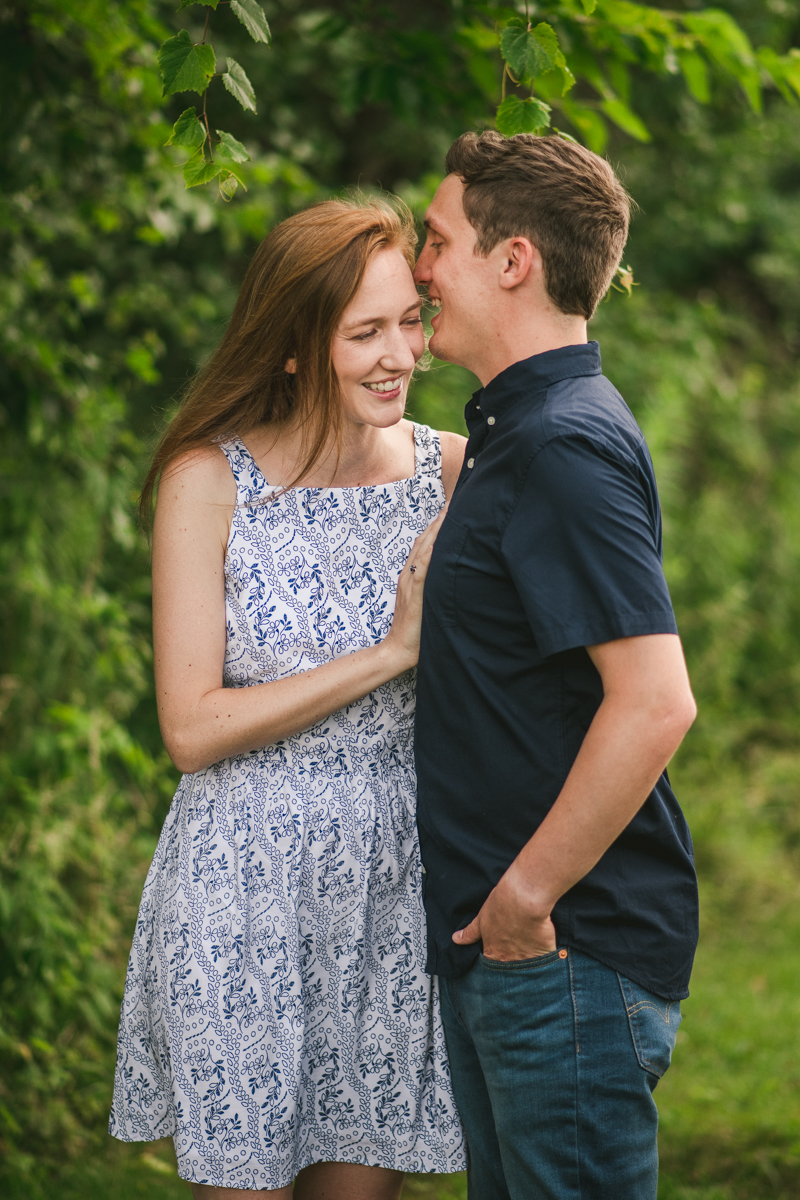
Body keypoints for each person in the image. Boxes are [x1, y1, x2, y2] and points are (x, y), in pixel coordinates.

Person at [109, 197, 467, 1198]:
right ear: (297, 346)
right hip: (243, 887)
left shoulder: (449, 470)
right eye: (364, 332)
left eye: (409, 320)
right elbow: (191, 727)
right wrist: (393, 654)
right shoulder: (207, 482)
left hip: (392, 888)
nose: (399, 352)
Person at [412, 131, 699, 1199]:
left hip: (559, 946)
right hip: (516, 947)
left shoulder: (557, 444)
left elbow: (655, 700)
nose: (419, 267)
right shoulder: (517, 430)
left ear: (511, 259)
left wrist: (526, 899)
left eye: (435, 240)